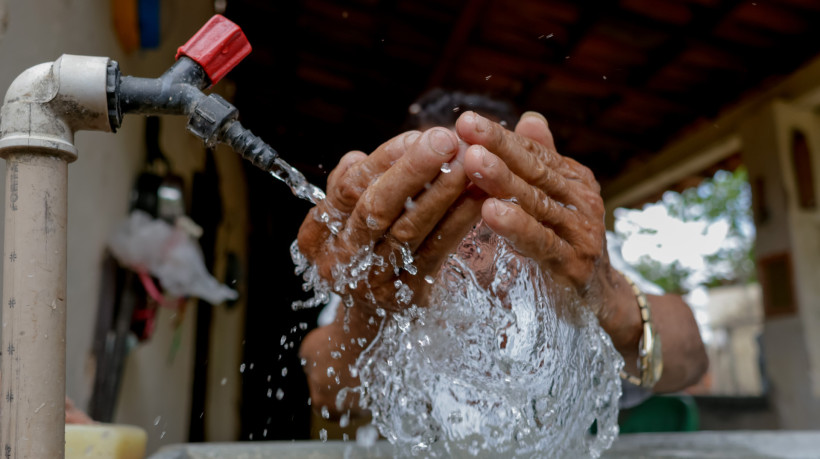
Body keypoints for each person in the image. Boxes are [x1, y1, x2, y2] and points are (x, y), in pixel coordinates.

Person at [297, 89, 708, 420]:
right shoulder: (382, 270)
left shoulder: (575, 251)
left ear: (526, 184)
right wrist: (372, 310)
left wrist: (604, 293)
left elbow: (691, 357)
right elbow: (328, 392)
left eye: (488, 182)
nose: (465, 210)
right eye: (437, 186)